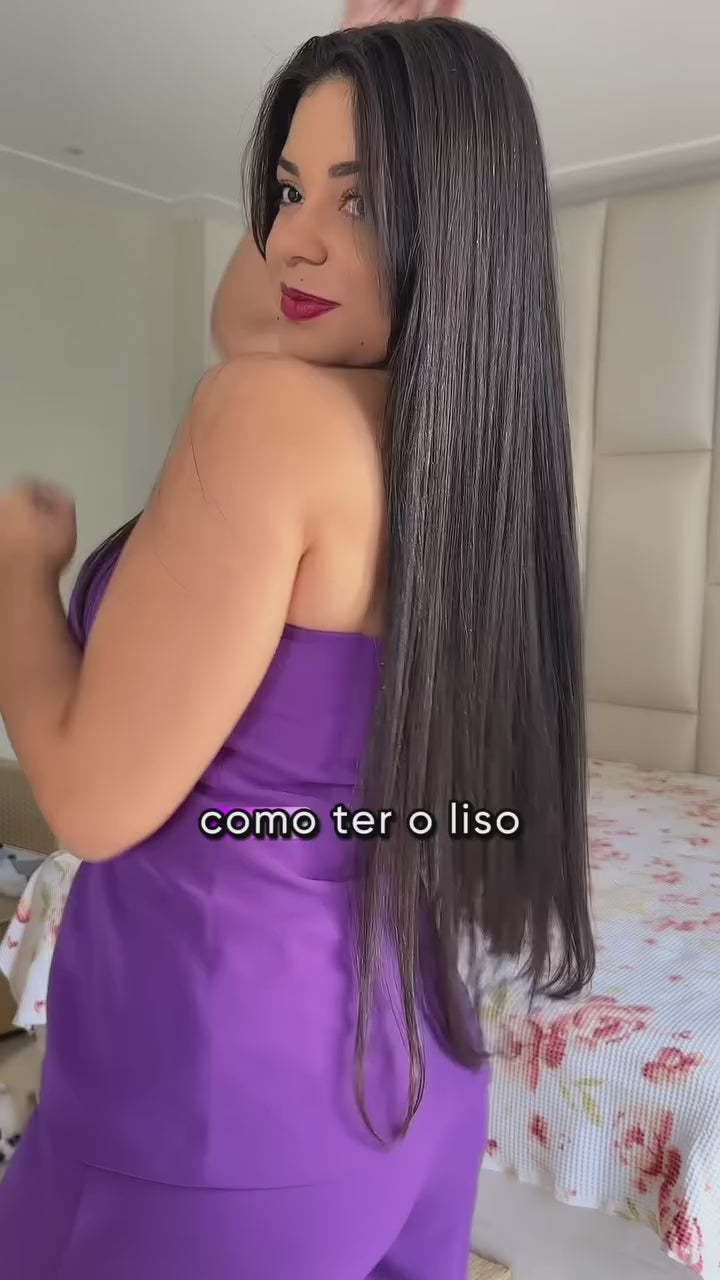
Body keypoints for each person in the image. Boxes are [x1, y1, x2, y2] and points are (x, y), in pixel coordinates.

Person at [0, 4, 595, 1278]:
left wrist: (19, 573)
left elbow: (90, 801)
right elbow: (256, 311)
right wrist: (360, 82)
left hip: (206, 1099)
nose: (292, 238)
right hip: (413, 1082)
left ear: (450, 224)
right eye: (286, 189)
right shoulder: (468, 463)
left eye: (361, 198)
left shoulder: (270, 421)